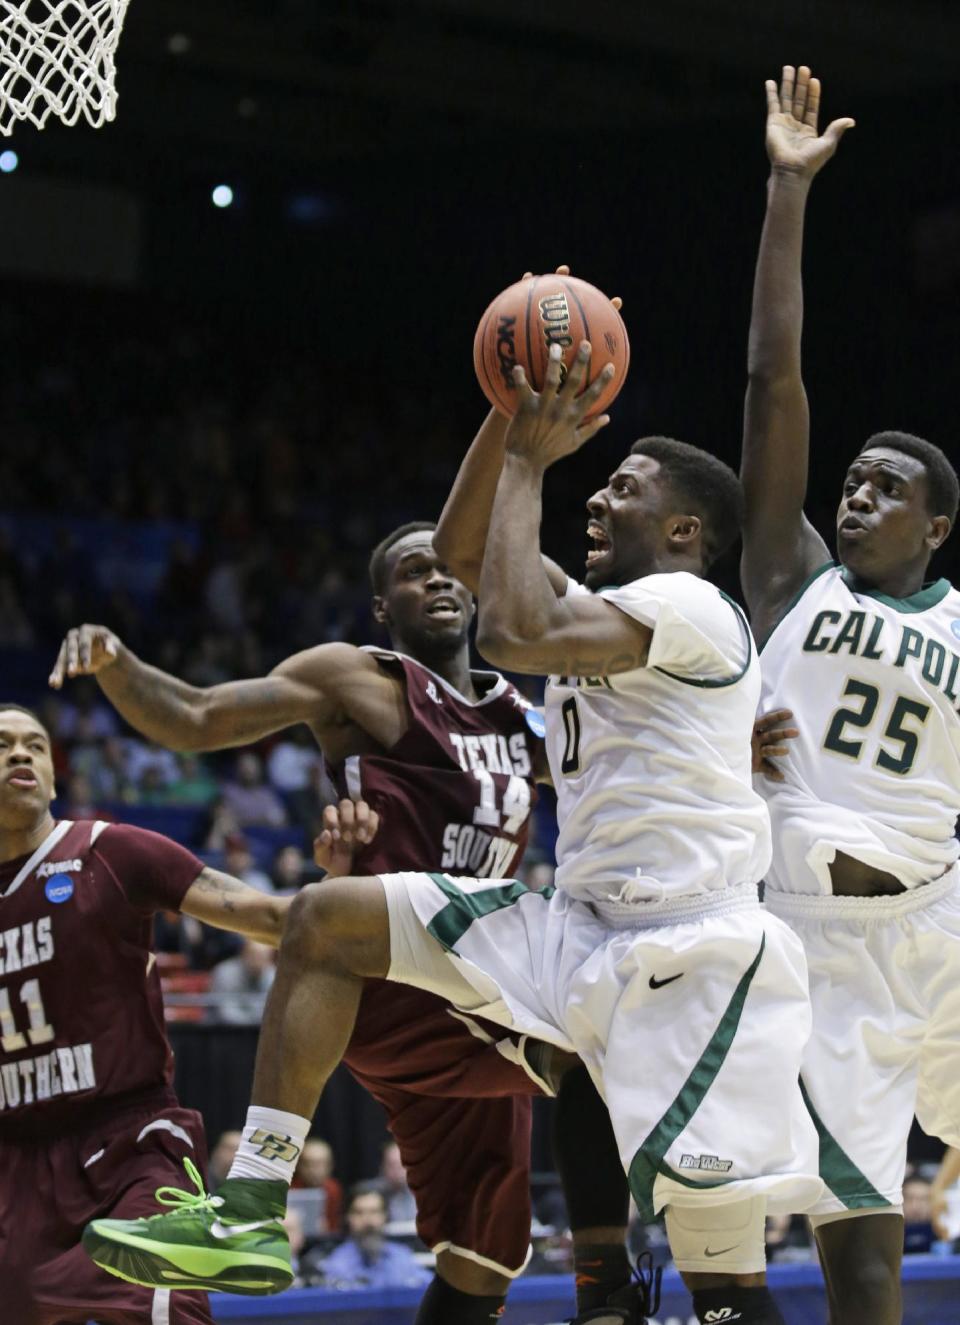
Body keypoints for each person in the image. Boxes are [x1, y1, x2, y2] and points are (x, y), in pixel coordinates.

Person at [82, 344, 824, 1325]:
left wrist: (529, 464)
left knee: (725, 1277)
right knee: (327, 914)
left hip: (690, 952)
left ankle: (609, 1285)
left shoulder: (683, 602)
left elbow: (509, 625)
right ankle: (253, 1202)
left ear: (683, 530)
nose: (596, 502)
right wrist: (506, 410)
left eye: (623, 491)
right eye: (595, 486)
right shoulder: (565, 623)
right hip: (575, 930)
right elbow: (469, 556)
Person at [49, 533, 592, 1325]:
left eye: (448, 567)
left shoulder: (520, 716)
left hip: (490, 979)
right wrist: (117, 663)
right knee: (608, 1031)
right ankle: (254, 1198)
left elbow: (618, 759)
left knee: (481, 1264)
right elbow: (198, 716)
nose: (437, 578)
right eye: (413, 571)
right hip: (393, 977)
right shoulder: (359, 678)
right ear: (383, 606)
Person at [739, 64, 960, 1325]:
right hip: (828, 943)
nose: (856, 495)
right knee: (856, 1230)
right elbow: (776, 384)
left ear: (937, 524)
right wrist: (787, 191)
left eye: (887, 487)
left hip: (946, 916)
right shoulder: (793, 580)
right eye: (854, 481)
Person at [0, 700, 374, 1324]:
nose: (20, 754)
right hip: (13, 1157)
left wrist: (337, 884)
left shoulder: (110, 853)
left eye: (35, 745)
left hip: (125, 1142)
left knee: (163, 1310)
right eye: (3, 744)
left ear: (54, 773)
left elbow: (271, 919)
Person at [322, 1183, 431, 1291]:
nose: (368, 1221)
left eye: (374, 1212)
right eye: (359, 1213)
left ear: (385, 1216)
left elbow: (430, 1289)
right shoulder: (337, 1265)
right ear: (348, 1218)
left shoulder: (402, 1257)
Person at [207, 938, 276, 1025]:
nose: (257, 961)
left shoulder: (273, 975)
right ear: (244, 954)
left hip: (259, 1028)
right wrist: (252, 1022)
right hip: (223, 1030)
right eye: (254, 956)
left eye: (263, 957)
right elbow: (225, 1012)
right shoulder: (225, 973)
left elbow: (272, 1011)